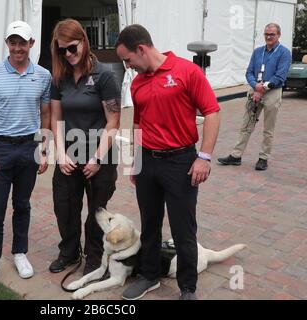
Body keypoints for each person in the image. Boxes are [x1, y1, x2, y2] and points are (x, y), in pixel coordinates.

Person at [115, 24, 220, 300]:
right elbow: (139, 121)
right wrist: (136, 160)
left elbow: (212, 112)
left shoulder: (187, 71)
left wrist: (204, 157)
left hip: (180, 162)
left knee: (183, 229)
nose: (128, 66)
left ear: (141, 49)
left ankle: (187, 288)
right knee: (149, 224)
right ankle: (149, 276)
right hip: (148, 161)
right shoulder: (137, 83)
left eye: (128, 59)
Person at [0, 21, 51, 291]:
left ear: (32, 44)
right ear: (7, 43)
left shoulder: (43, 75)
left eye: (23, 42)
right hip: (0, 147)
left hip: (29, 147)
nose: (17, 48)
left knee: (23, 205)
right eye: (13, 42)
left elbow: (46, 114)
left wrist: (44, 149)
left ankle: (20, 253)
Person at [48, 19, 121, 275]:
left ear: (84, 41)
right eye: (61, 50)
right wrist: (60, 153)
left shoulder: (104, 75)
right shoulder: (59, 77)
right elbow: (55, 119)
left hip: (99, 155)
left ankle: (94, 257)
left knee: (96, 212)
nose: (67, 54)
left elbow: (113, 122)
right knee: (64, 206)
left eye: (72, 48)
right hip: (69, 153)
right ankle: (69, 252)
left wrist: (97, 159)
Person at [218, 23, 291, 171]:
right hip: (255, 91)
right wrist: (255, 86)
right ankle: (236, 155)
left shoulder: (284, 53)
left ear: (278, 35)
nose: (269, 37)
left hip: (272, 92)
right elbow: (249, 72)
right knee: (246, 124)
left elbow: (280, 76)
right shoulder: (258, 52)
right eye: (266, 34)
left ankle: (263, 158)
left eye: (272, 34)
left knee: (268, 129)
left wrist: (262, 88)